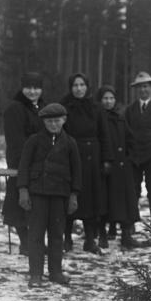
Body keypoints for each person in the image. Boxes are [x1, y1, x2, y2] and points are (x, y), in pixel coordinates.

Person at [17, 103, 81, 287]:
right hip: (37, 194)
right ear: (43, 122)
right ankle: (35, 274)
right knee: (36, 235)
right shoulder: (34, 141)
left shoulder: (70, 143)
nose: (53, 124)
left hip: (60, 195)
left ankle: (56, 272)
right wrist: (23, 191)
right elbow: (23, 167)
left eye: (57, 121)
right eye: (49, 121)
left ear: (64, 120)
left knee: (56, 235)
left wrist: (74, 195)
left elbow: (77, 171)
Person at [60, 73, 112, 254]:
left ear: (87, 87)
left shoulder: (96, 108)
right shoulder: (64, 107)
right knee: (69, 197)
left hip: (92, 159)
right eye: (75, 85)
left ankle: (90, 239)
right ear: (70, 87)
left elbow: (104, 134)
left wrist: (106, 159)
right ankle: (67, 239)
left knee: (91, 200)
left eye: (82, 85)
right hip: (71, 156)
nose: (79, 88)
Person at [2, 72, 45, 255]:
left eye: (36, 88)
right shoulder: (15, 108)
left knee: (36, 203)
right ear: (22, 88)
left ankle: (34, 242)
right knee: (19, 202)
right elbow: (16, 140)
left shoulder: (42, 107)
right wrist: (26, 161)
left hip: (39, 163)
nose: (32, 92)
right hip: (20, 161)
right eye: (28, 87)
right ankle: (25, 243)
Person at [97, 86, 141, 248]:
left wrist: (131, 158)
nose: (108, 102)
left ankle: (126, 235)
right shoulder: (97, 118)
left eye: (111, 98)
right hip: (105, 167)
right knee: (104, 202)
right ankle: (102, 234)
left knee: (125, 201)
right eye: (105, 98)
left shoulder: (120, 117)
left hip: (122, 167)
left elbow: (130, 139)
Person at [125, 71, 151, 230]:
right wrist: (130, 154)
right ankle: (131, 225)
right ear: (136, 89)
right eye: (140, 87)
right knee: (133, 190)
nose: (143, 90)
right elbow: (127, 133)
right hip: (134, 156)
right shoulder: (130, 110)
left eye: (146, 86)